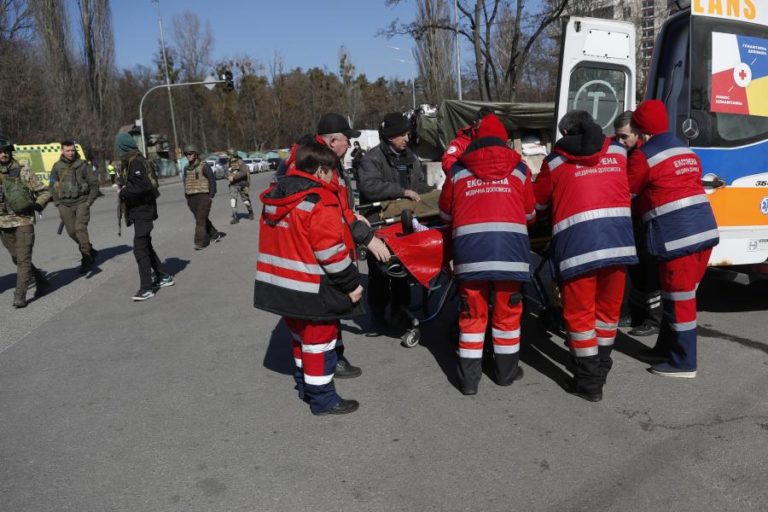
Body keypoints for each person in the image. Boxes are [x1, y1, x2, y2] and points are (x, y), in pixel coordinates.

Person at [534, 111, 638, 402]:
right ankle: (601, 366)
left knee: (580, 316)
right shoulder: (618, 151)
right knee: (607, 313)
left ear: (566, 134)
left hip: (577, 250)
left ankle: (589, 382)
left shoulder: (555, 162)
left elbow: (537, 204)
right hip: (618, 246)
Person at [254, 142, 364, 416]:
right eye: (331, 171)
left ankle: (305, 385)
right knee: (319, 344)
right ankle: (323, 399)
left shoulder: (277, 194)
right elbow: (331, 253)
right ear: (320, 170)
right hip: (312, 287)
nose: (333, 177)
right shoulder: (320, 200)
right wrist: (352, 284)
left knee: (300, 339)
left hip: (280, 285)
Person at [438, 113, 535, 395]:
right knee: (507, 317)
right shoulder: (519, 169)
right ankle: (506, 374)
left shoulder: (458, 171)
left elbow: (445, 214)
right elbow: (530, 213)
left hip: (470, 255)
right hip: (510, 254)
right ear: (504, 141)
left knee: (472, 316)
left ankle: (469, 381)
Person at [628, 100, 719, 378]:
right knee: (676, 297)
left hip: (677, 238)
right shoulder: (685, 150)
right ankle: (665, 349)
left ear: (641, 131)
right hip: (704, 232)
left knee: (680, 300)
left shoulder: (644, 156)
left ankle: (684, 362)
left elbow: (627, 190)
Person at [357, 112, 437, 328]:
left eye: (408, 134)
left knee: (403, 270)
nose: (406, 138)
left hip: (404, 223)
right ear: (390, 136)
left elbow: (418, 184)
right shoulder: (372, 158)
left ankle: (401, 310)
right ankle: (378, 315)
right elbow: (369, 187)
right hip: (379, 223)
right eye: (402, 134)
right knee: (379, 273)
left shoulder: (410, 157)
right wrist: (401, 191)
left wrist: (432, 192)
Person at [614, 112, 662, 336]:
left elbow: (629, 188)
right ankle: (636, 313)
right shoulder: (624, 151)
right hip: (632, 218)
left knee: (649, 270)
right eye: (617, 137)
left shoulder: (643, 154)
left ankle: (654, 318)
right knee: (635, 268)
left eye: (624, 137)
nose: (620, 141)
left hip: (645, 219)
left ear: (637, 134)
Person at [115, 133, 174, 301]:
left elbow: (144, 186)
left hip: (144, 211)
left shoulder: (135, 162)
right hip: (140, 210)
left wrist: (123, 192)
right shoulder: (132, 161)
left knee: (139, 248)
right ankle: (163, 276)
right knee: (146, 245)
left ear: (123, 147)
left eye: (119, 148)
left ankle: (146, 288)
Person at [0, 135, 51, 308]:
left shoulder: (23, 171)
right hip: (3, 224)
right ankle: (41, 281)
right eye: (0, 152)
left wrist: (38, 204)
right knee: (17, 258)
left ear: (10, 152)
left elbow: (45, 191)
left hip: (23, 221)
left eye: (6, 151)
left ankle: (20, 294)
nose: (3, 155)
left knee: (23, 259)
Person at [49, 140, 100, 273]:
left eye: (72, 150)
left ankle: (86, 259)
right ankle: (89, 249)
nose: (71, 153)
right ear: (62, 151)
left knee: (80, 229)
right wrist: (57, 202)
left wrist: (89, 202)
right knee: (72, 232)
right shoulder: (57, 166)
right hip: (64, 204)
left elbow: (94, 184)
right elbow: (52, 184)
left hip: (81, 201)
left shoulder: (83, 165)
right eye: (68, 150)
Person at [180, 145, 222, 250]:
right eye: (186, 154)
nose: (188, 156)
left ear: (195, 154)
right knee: (201, 219)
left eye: (190, 153)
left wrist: (211, 195)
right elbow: (185, 182)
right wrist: (186, 195)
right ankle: (214, 234)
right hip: (191, 198)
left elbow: (212, 180)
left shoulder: (204, 166)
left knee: (200, 220)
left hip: (203, 196)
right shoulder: (186, 168)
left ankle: (199, 242)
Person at [441, 106, 495, 173]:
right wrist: (466, 173)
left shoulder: (497, 141)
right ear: (475, 124)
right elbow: (448, 161)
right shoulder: (460, 143)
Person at [225, 151, 254, 224]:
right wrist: (228, 176)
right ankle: (235, 217)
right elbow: (225, 173)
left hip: (242, 184)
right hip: (233, 185)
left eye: (228, 155)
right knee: (233, 200)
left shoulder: (240, 162)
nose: (227, 156)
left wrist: (234, 176)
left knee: (246, 201)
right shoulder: (228, 163)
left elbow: (244, 172)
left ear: (232, 155)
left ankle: (251, 213)